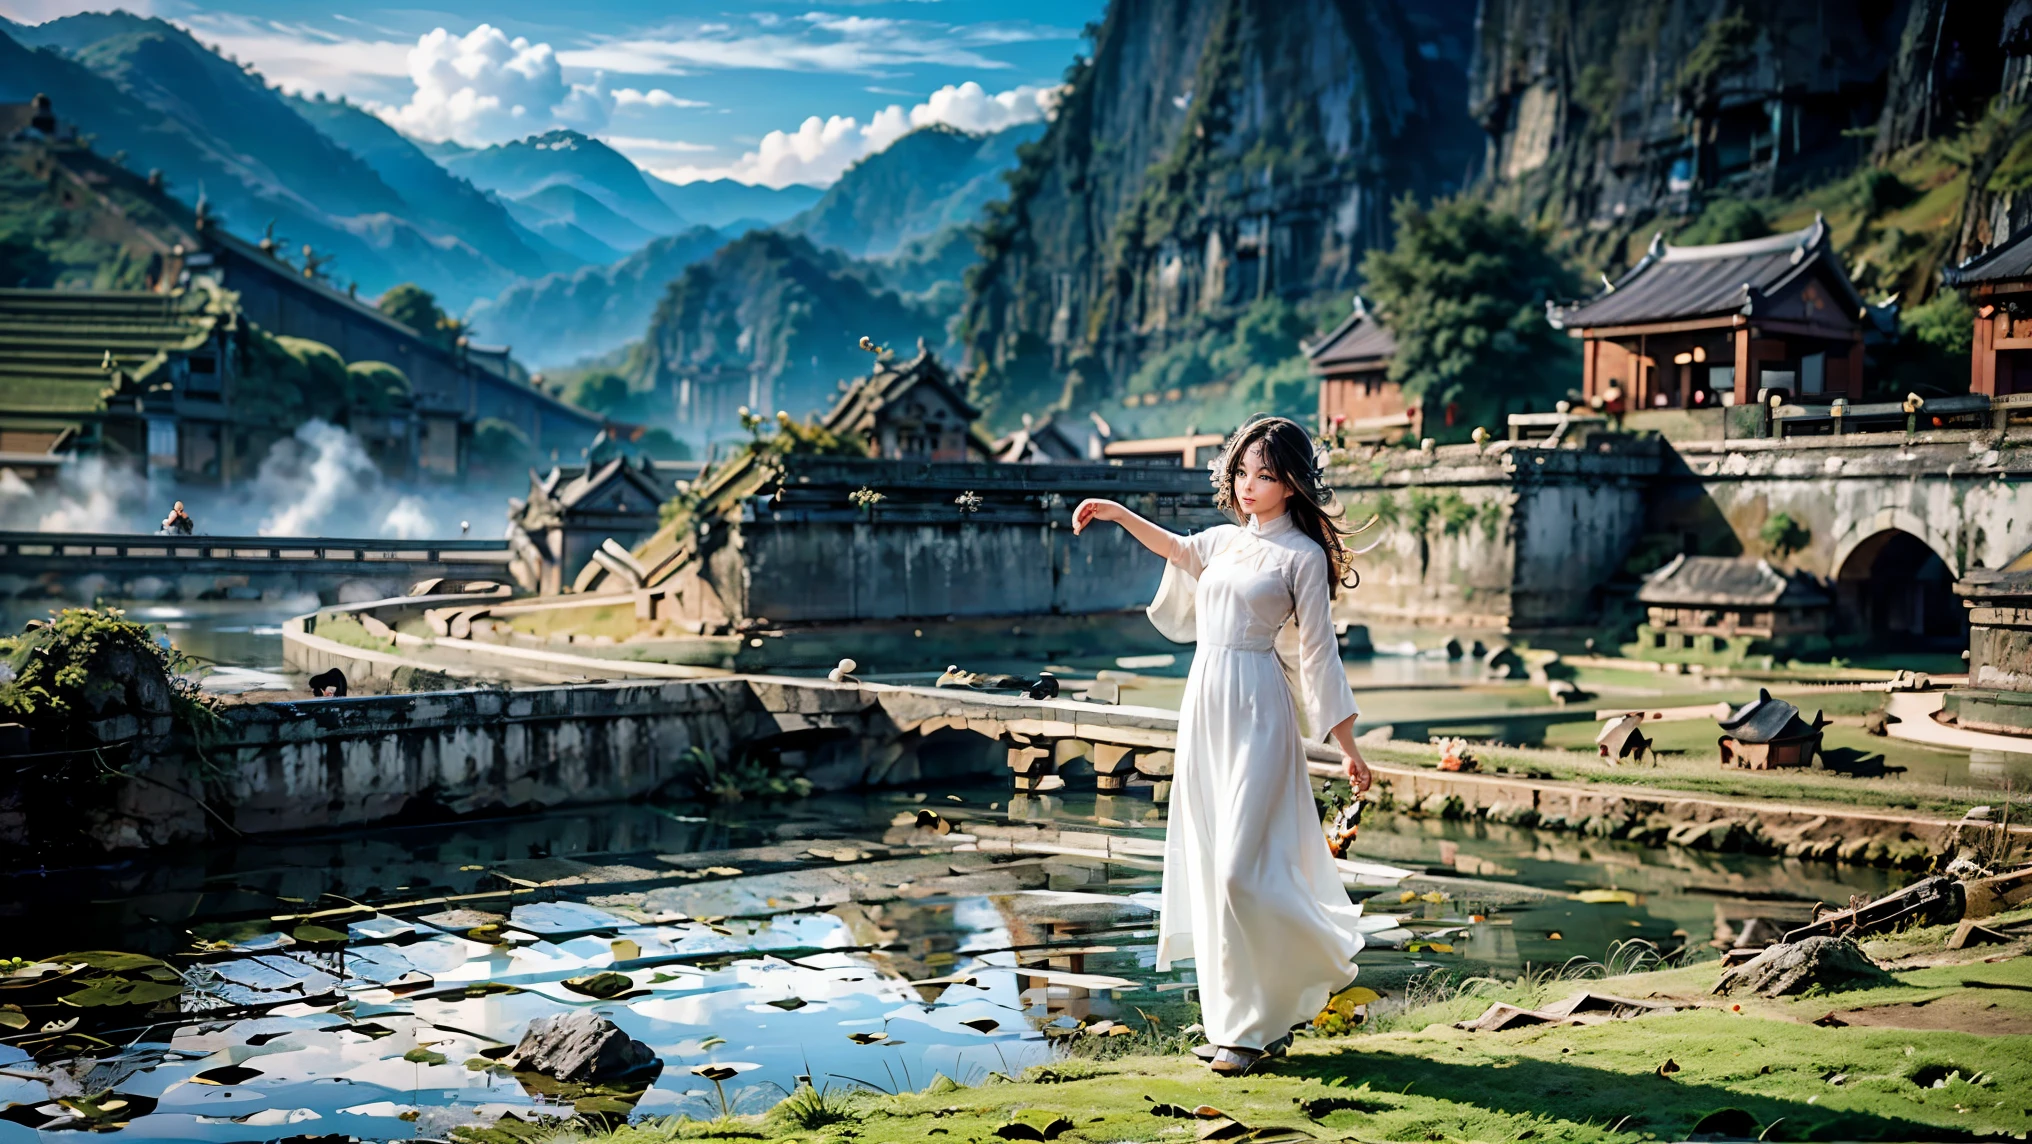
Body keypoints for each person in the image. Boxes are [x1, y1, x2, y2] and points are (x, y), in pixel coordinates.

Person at [1071, 415, 1382, 1076]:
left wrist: (1348, 745)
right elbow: (1176, 550)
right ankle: (1240, 1028)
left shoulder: (1300, 557)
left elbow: (1320, 657)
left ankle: (1288, 986)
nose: (1248, 485)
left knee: (1242, 869)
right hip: (1205, 703)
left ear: (1291, 482)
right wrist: (1116, 512)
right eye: (1242, 471)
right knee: (1214, 869)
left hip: (1259, 710)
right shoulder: (1220, 542)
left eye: (1264, 474)